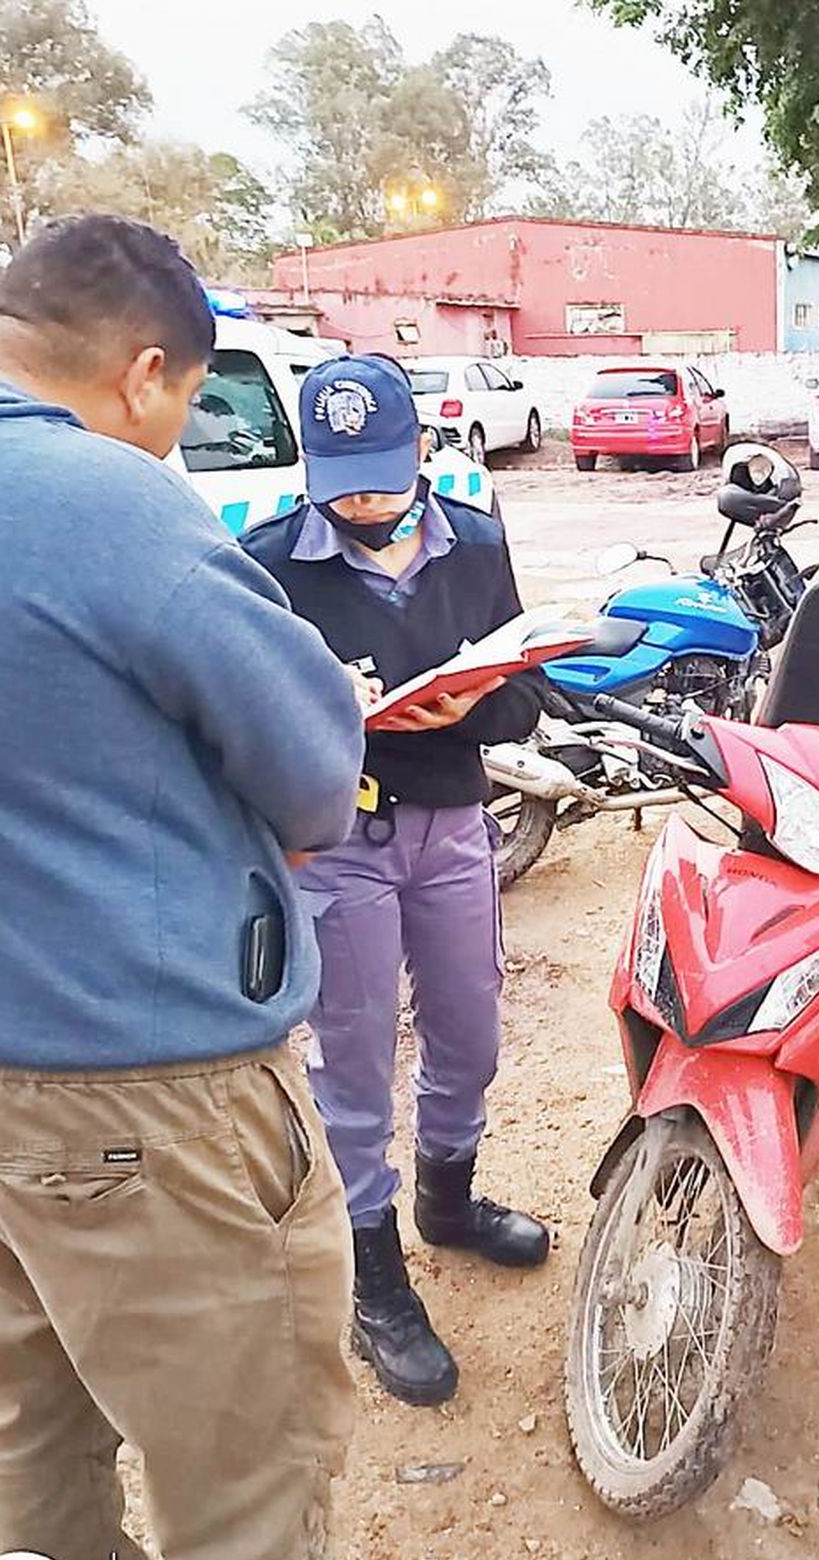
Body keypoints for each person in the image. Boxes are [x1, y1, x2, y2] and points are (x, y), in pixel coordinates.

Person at [0, 216, 365, 1560]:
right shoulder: (106, 504)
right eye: (180, 407)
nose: (174, 439)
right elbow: (313, 771)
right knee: (245, 1480)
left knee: (39, 1416)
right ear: (146, 366)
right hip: (146, 1091)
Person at [243, 354, 549, 1411]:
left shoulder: (475, 543)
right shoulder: (270, 561)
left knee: (470, 1029)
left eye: (380, 473)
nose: (364, 501)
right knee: (354, 1064)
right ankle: (377, 1281)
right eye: (341, 481)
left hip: (455, 824)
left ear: (422, 450)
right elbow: (243, 722)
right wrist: (333, 712)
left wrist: (461, 709)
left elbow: (525, 699)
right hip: (340, 844)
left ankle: (448, 1202)